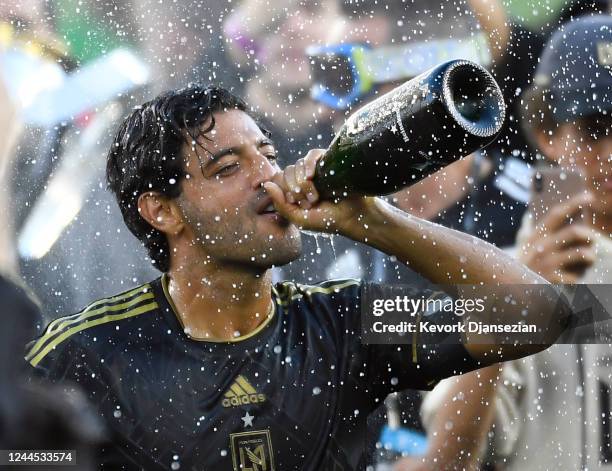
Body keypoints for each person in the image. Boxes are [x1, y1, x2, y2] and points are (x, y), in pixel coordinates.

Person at [26, 84, 562, 470]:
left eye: (269, 154)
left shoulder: (348, 324)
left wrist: (374, 221)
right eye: (229, 168)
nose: (269, 177)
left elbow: (545, 314)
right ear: (162, 211)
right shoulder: (85, 355)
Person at [396, 14, 612, 470]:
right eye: (594, 129)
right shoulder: (495, 270)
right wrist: (514, 302)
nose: (611, 152)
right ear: (549, 134)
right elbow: (447, 459)